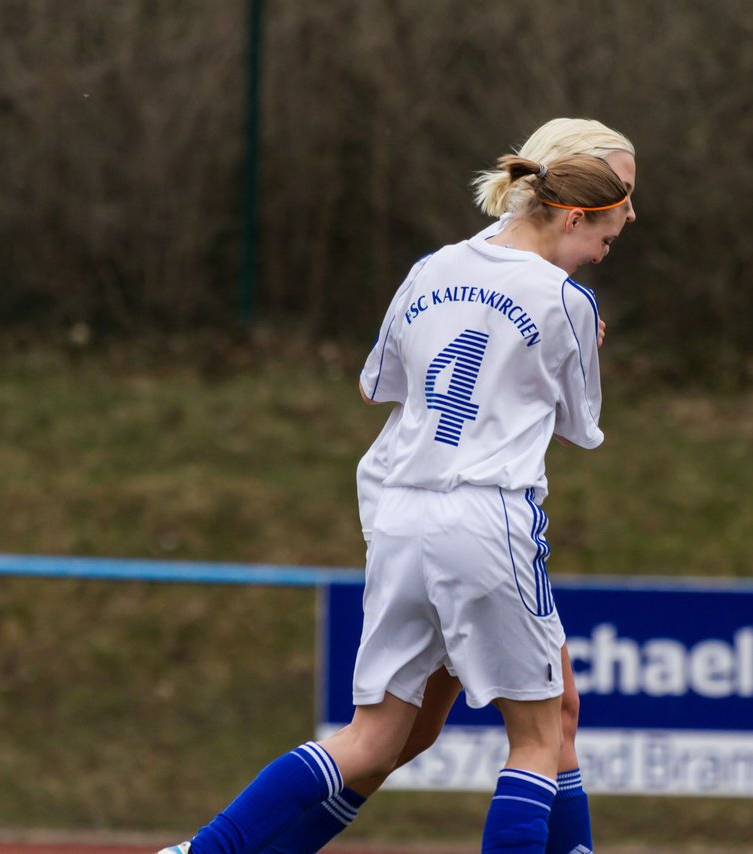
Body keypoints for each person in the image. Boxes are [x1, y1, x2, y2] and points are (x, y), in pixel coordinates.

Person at [159, 151, 630, 854]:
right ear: (570, 218)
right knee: (537, 739)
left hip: (401, 516)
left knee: (370, 737)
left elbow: (376, 384)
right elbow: (578, 427)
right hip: (486, 515)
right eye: (605, 239)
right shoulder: (566, 299)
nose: (599, 256)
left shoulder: (430, 268)